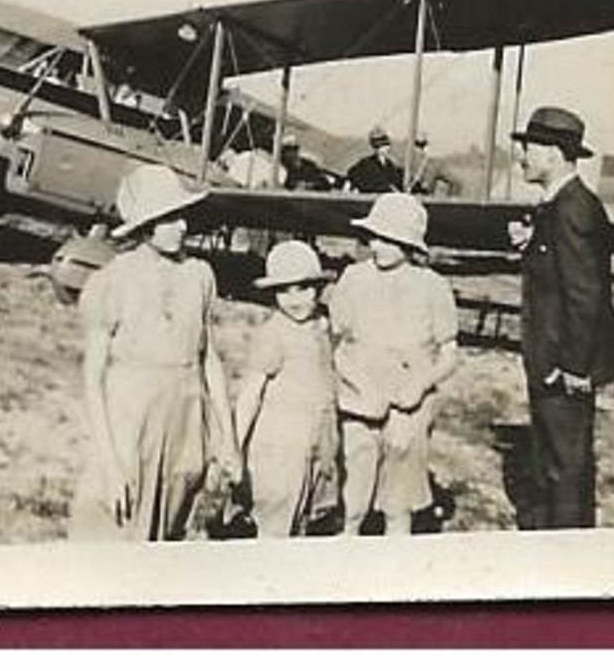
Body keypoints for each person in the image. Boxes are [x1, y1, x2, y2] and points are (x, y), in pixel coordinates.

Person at [71, 164, 241, 541]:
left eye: (183, 216)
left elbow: (208, 357)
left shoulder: (199, 275)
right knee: (115, 534)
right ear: (146, 225)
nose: (182, 226)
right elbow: (94, 379)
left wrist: (227, 438)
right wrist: (111, 466)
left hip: (184, 418)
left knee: (167, 531)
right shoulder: (112, 280)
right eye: (170, 218)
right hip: (130, 420)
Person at [509, 106, 614, 530]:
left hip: (562, 365)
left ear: (555, 154)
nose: (522, 157)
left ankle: (565, 555)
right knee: (551, 457)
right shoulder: (560, 203)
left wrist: (575, 366)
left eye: (530, 148)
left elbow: (583, 296)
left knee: (565, 463)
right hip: (552, 361)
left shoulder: (572, 207)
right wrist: (531, 240)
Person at [329, 193, 460, 535]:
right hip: (359, 400)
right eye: (375, 236)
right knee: (354, 487)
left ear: (410, 244)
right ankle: (346, 547)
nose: (379, 246)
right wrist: (355, 382)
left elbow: (449, 353)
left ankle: (393, 562)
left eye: (391, 239)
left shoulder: (432, 287)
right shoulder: (353, 279)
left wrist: (420, 384)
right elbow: (333, 344)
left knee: (399, 500)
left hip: (408, 405)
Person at [232, 241, 340, 537]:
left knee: (308, 518)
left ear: (318, 289)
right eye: (284, 290)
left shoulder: (321, 328)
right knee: (276, 520)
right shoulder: (274, 334)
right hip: (281, 446)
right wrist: (234, 449)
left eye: (303, 288)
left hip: (317, 440)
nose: (295, 300)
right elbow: (249, 395)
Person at [345, 125, 404, 193]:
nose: (386, 149)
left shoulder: (390, 165)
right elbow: (352, 175)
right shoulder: (366, 163)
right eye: (382, 146)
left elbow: (397, 179)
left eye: (386, 145)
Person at [407, 132, 460, 197]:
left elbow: (452, 181)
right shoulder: (416, 162)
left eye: (422, 146)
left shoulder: (433, 162)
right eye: (418, 146)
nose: (419, 150)